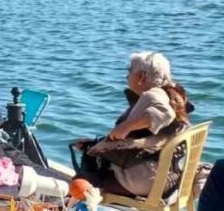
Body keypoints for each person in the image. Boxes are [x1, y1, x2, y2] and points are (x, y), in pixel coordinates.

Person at [77, 52, 193, 198]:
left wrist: (127, 126)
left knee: (81, 182)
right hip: (170, 179)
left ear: (142, 76)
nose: (127, 76)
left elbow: (165, 113)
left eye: (129, 70)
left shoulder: (153, 95)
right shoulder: (175, 94)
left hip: (145, 182)